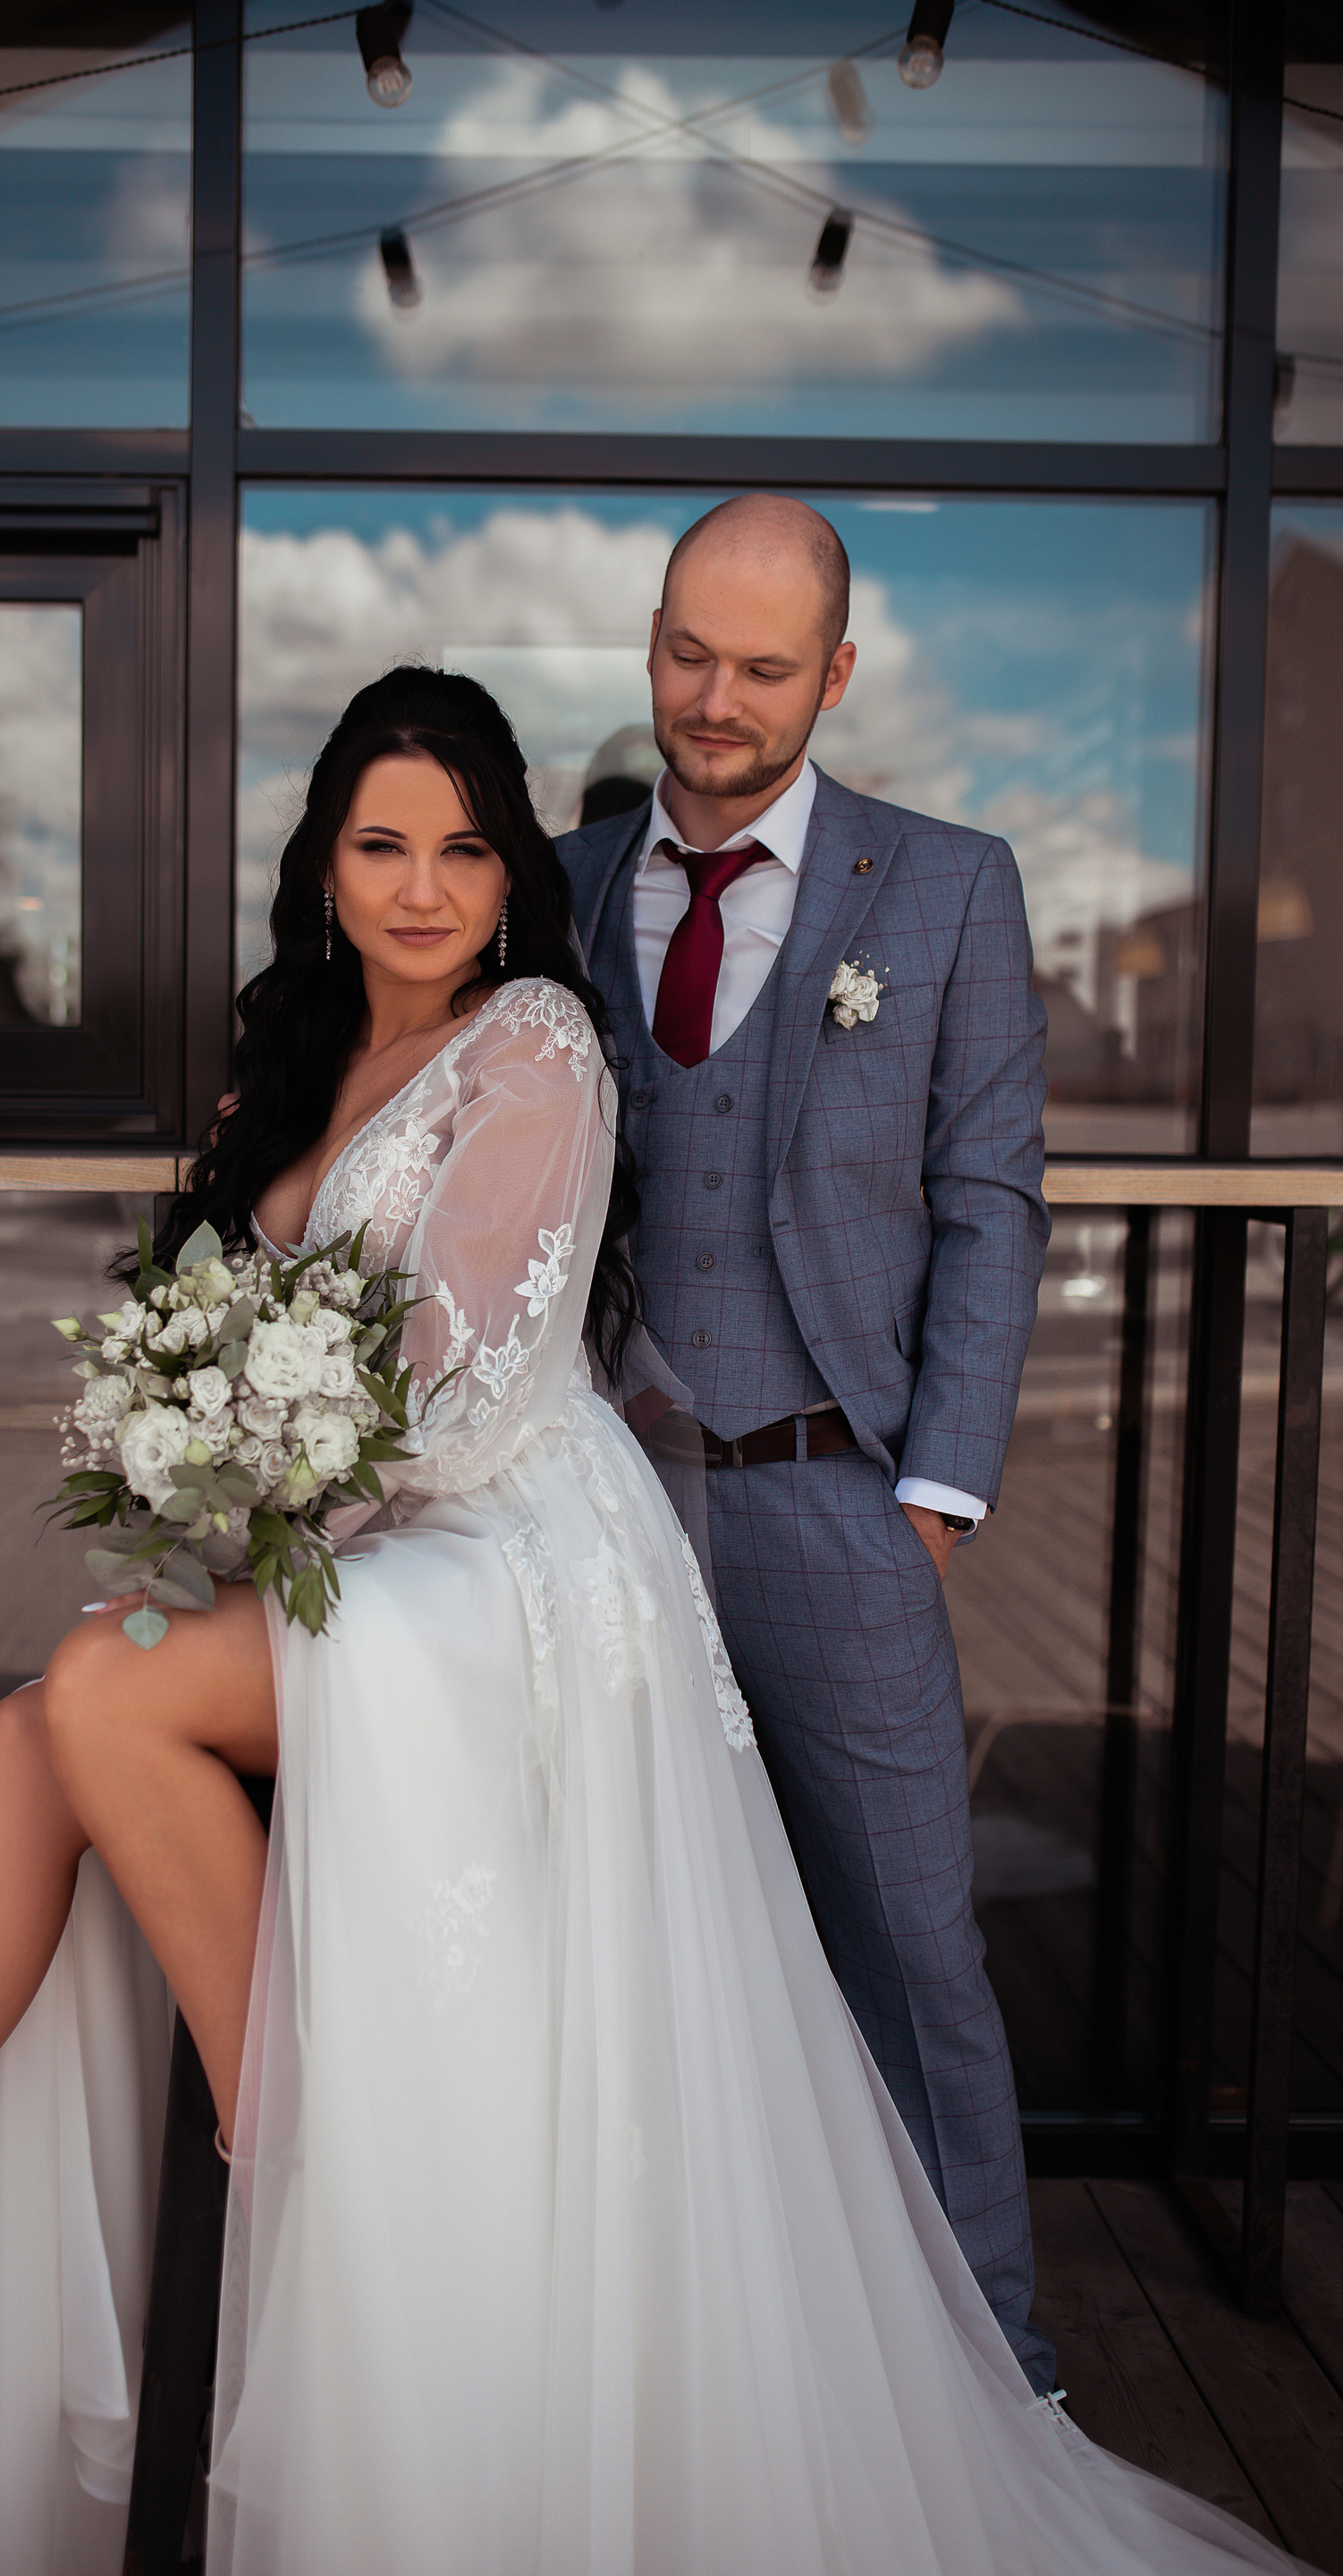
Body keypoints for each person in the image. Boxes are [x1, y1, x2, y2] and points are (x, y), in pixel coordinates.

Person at [0, 670, 1312, 2576]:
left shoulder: (536, 1044)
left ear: (514, 876)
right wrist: (191, 1476)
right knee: (36, 1732)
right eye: (382, 846)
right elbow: (256, 1351)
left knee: (100, 1687)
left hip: (507, 1554)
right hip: (351, 1543)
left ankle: (305, 2157)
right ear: (325, 871)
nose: (423, 887)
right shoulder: (297, 1056)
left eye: (463, 849)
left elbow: (458, 1401)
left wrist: (231, 1513)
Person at [557, 494, 1057, 2389]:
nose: (717, 697)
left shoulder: (947, 886)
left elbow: (992, 1199)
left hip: (839, 1498)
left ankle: (997, 2369)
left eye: (764, 667)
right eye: (689, 652)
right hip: (593, 1508)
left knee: (913, 1951)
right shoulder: (557, 883)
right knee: (618, 1939)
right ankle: (676, 2360)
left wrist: (932, 1499)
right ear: (652, 639)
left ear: (834, 675)